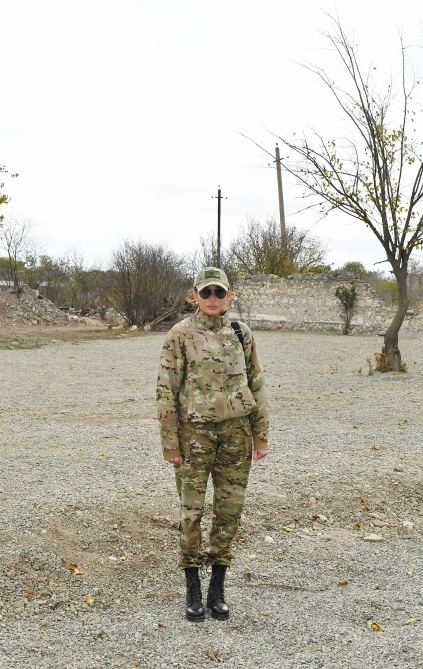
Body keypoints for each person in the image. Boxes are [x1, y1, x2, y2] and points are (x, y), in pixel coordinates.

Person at [156, 266, 269, 622]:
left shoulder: (242, 333)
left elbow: (257, 383)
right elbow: (165, 390)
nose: (212, 299)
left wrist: (261, 434)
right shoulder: (180, 334)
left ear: (229, 296)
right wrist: (170, 443)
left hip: (236, 435)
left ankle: (217, 586)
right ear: (194, 296)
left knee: (228, 511)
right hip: (195, 436)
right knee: (191, 511)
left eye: (219, 292)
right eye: (205, 293)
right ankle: (192, 585)